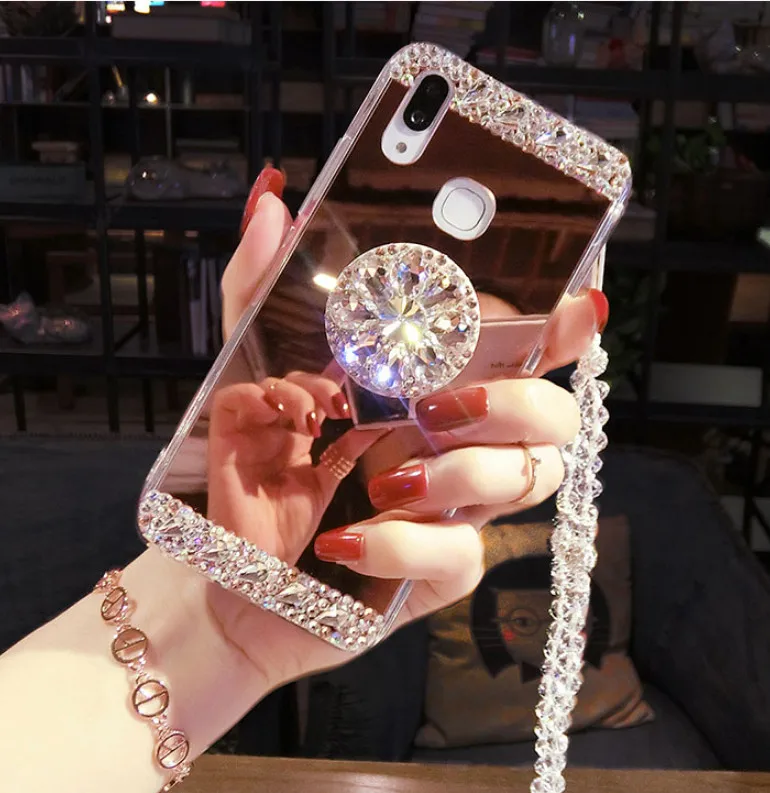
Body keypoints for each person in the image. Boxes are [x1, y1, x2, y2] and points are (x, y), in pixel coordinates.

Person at [0, 168, 607, 793]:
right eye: (428, 346)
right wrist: (201, 605)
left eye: (482, 367)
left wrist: (230, 651)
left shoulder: (405, 582)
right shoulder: (265, 457)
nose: (437, 387)